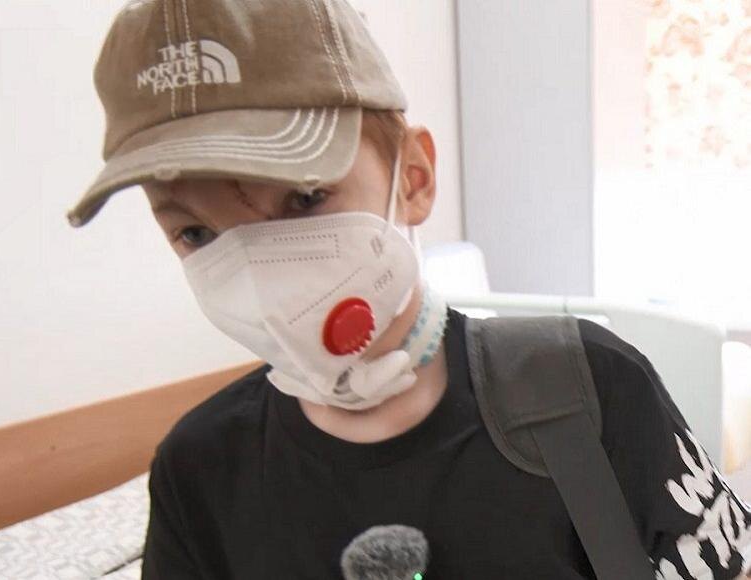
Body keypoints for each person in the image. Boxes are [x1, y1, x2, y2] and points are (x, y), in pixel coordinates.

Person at [65, 0, 751, 578]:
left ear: (414, 178)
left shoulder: (591, 390)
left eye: (304, 197)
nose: (259, 270)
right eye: (196, 233)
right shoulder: (199, 472)